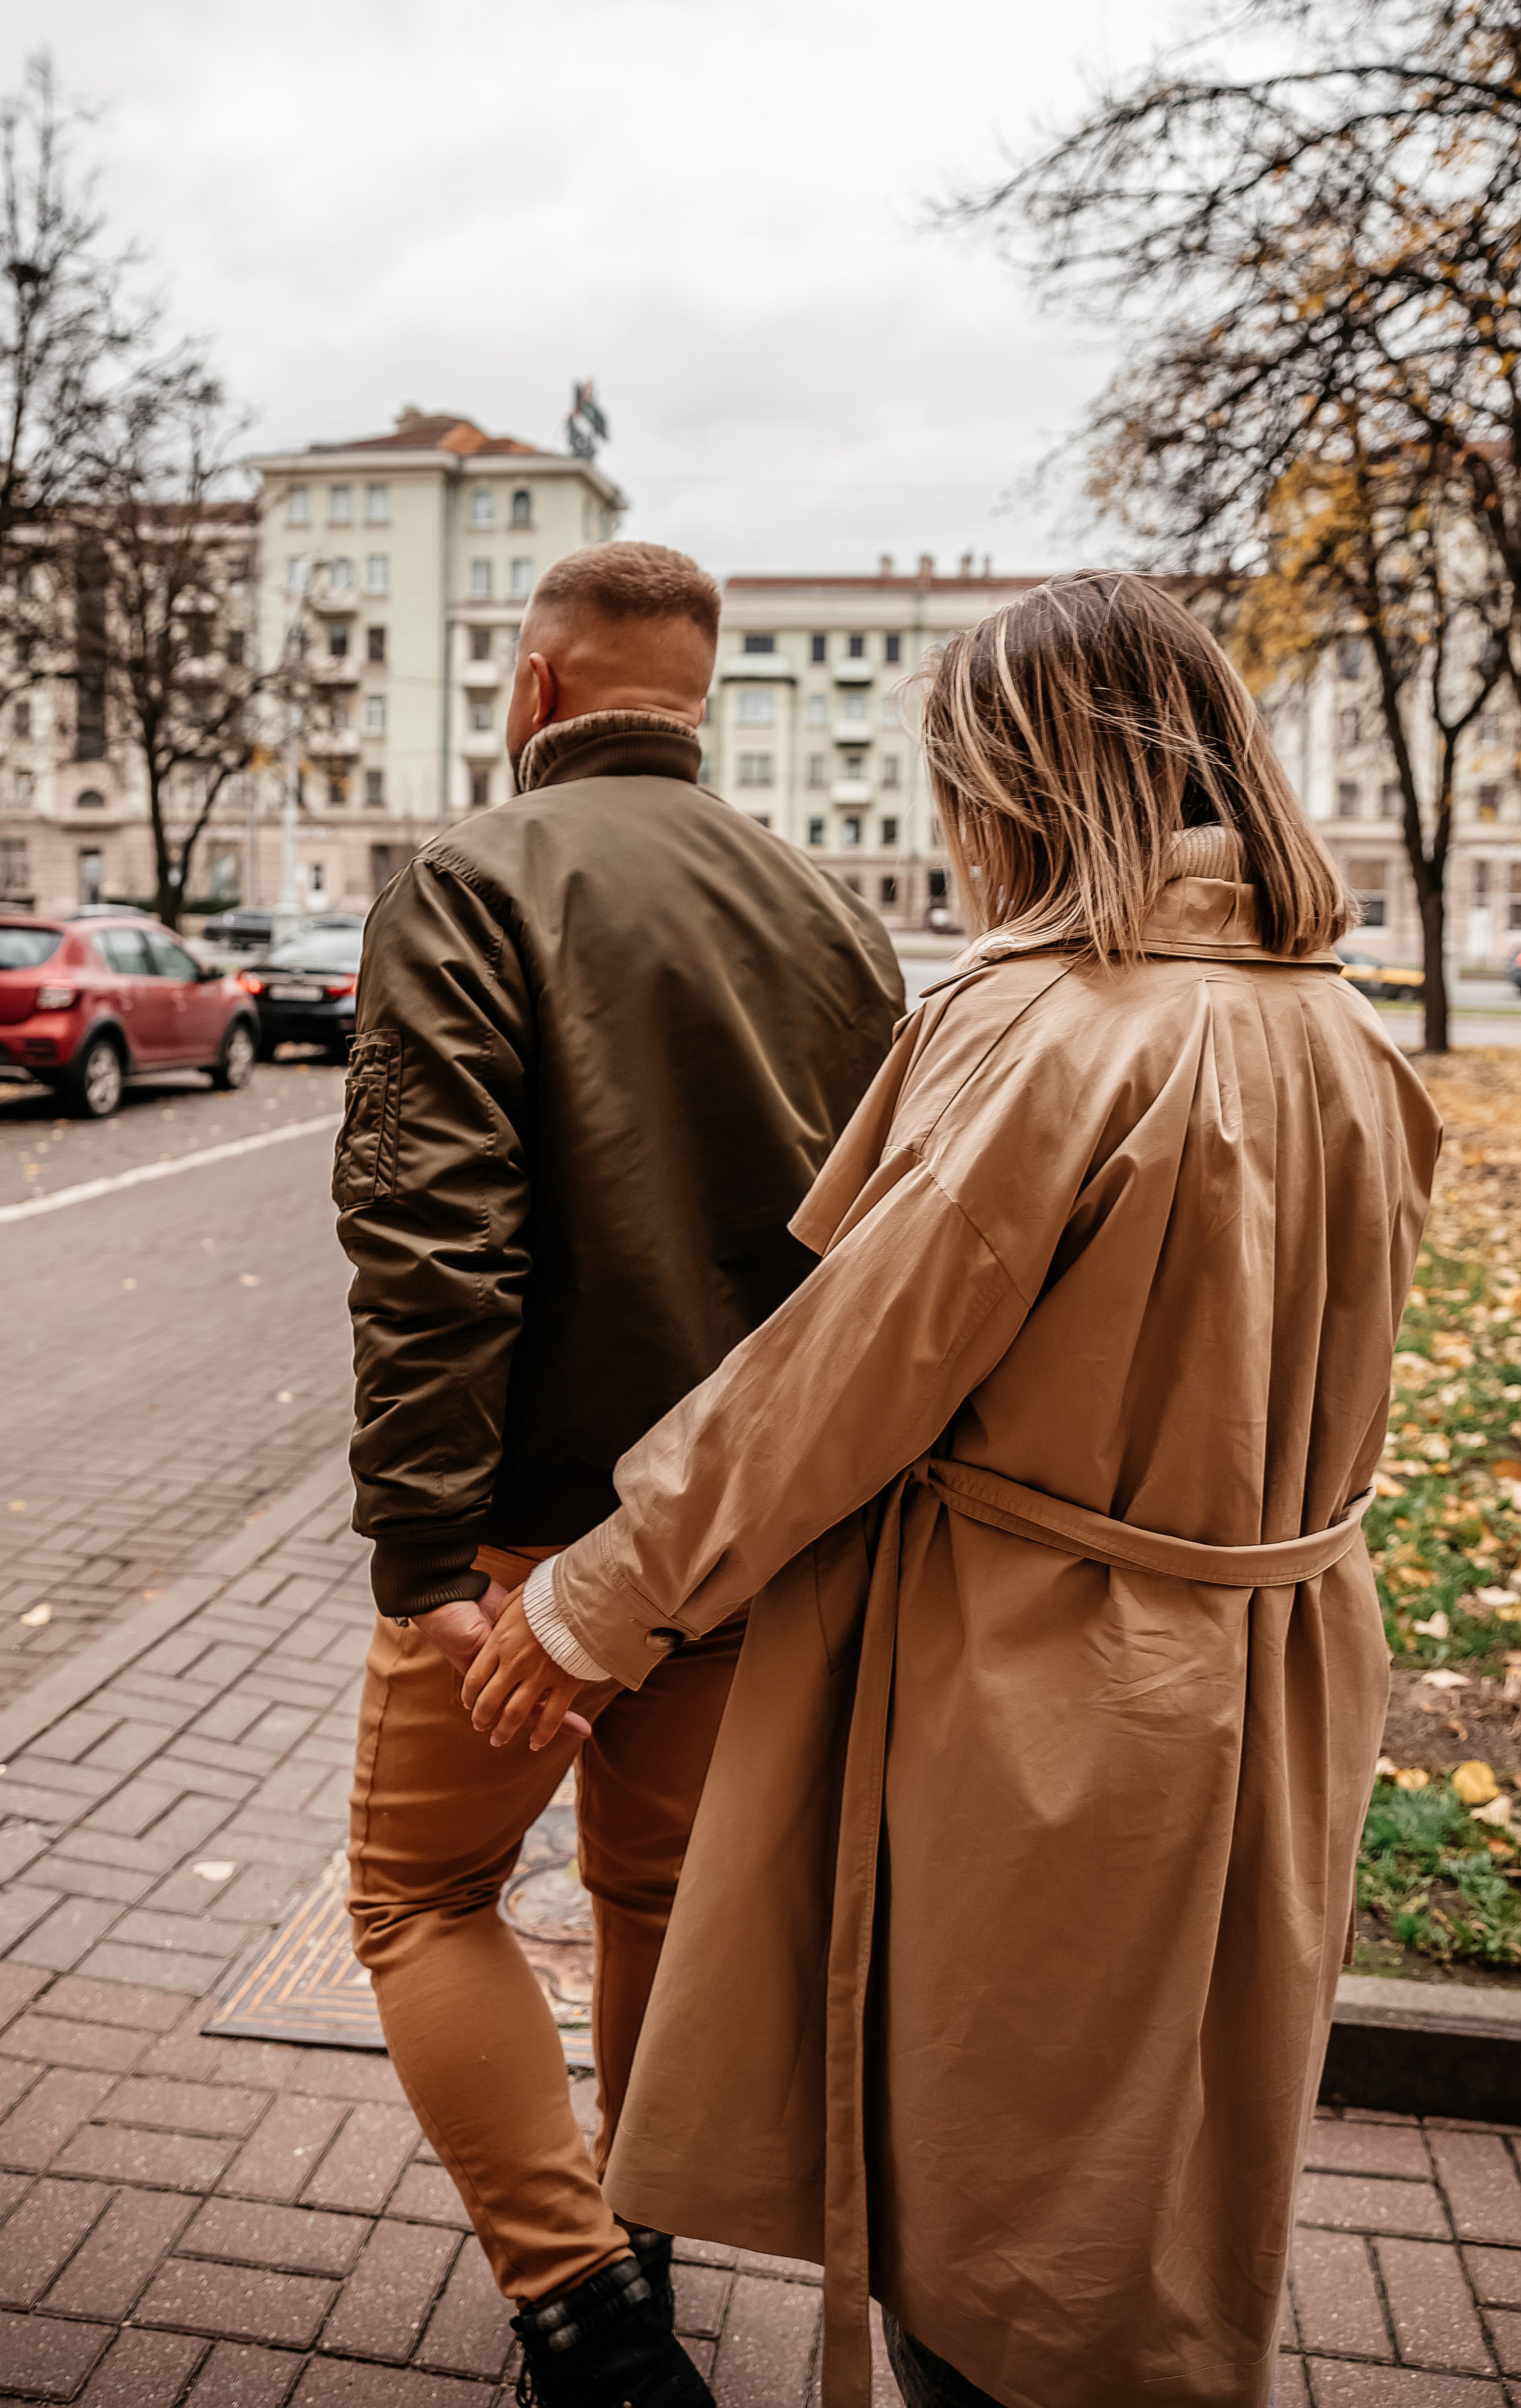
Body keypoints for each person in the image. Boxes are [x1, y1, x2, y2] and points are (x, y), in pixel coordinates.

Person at [460, 573, 1442, 2408]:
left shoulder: (1053, 1027)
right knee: (1155, 2181)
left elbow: (849, 1373)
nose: (948, 822)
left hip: (1050, 1681)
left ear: (1023, 780)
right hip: (1277, 1668)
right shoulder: (1344, 1035)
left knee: (990, 2224)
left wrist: (599, 1599)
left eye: (957, 776)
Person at [334, 539, 905, 2408]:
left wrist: (423, 1547)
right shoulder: (834, 916)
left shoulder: (468, 883)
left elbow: (434, 1242)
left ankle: (585, 2309)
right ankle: (638, 2214)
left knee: (422, 1898)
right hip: (729, 1542)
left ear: (541, 687)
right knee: (653, 1894)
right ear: (705, 695)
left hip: (518, 1541)